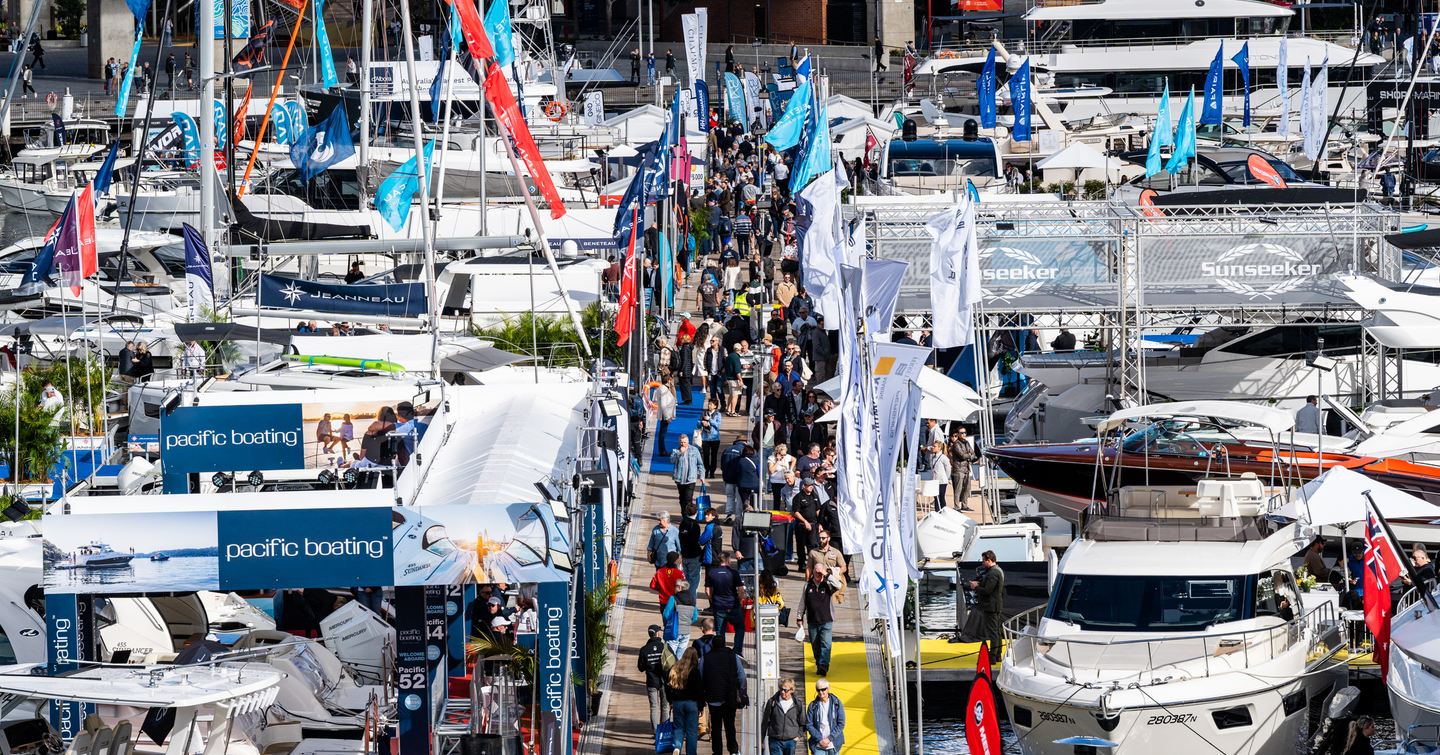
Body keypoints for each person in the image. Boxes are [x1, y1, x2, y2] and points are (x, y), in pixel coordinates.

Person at [699, 635, 746, 755]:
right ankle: (733, 750)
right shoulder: (733, 656)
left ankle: (717, 751)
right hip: (730, 697)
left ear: (712, 645)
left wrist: (702, 694)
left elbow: (700, 676)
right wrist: (742, 691)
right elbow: (741, 675)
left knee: (716, 727)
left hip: (713, 697)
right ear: (724, 644)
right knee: (730, 725)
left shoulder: (705, 658)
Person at [800, 563, 838, 675]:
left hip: (826, 621)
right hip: (812, 621)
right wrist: (799, 616)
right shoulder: (807, 586)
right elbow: (803, 602)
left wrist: (826, 574)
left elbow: (838, 585)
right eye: (816, 571)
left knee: (826, 644)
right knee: (815, 645)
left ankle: (823, 665)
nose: (818, 573)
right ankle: (819, 663)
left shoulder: (828, 585)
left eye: (820, 571)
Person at [706, 551, 747, 653]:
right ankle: (737, 650)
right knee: (740, 627)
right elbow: (741, 590)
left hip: (718, 606)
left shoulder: (711, 572)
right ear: (728, 560)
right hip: (733, 605)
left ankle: (721, 651)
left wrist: (713, 600)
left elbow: (707, 591)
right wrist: (740, 600)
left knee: (720, 631)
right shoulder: (733, 573)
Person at [668, 646, 704, 755]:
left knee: (678, 727)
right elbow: (699, 690)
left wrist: (670, 700)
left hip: (678, 702)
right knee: (691, 731)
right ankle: (691, 753)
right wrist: (701, 706)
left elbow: (669, 686)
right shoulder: (695, 671)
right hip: (692, 703)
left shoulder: (675, 668)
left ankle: (677, 746)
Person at [969, 550, 1005, 650]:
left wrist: (975, 587)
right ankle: (997, 654)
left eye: (984, 561)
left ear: (989, 560)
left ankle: (993, 656)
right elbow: (990, 586)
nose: (982, 563)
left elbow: (987, 590)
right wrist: (979, 584)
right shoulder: (997, 570)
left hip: (991, 606)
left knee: (993, 632)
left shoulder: (993, 572)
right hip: (995, 605)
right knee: (996, 631)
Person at [762, 677, 805, 755]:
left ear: (791, 690)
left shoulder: (797, 704)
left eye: (785, 690)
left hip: (791, 741)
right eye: (781, 689)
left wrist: (798, 736)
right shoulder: (772, 702)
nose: (782, 692)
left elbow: (803, 722)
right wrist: (761, 740)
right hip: (775, 740)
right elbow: (765, 722)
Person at [638, 625, 669, 728]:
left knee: (654, 707)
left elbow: (641, 668)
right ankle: (664, 730)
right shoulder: (664, 647)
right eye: (660, 631)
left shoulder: (644, 649)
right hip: (664, 681)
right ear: (657, 633)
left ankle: (656, 732)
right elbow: (672, 662)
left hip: (651, 681)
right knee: (665, 707)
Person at [805, 678, 845, 755]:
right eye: (818, 690)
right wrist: (820, 739)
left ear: (828, 689)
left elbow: (841, 723)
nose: (820, 692)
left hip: (834, 745)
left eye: (823, 689)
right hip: (818, 745)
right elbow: (809, 725)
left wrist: (829, 739)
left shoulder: (837, 703)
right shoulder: (812, 705)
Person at [807, 529, 846, 602]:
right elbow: (809, 568)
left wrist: (836, 574)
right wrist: (807, 581)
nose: (821, 540)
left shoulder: (836, 552)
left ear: (829, 538)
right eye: (819, 538)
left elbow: (844, 567)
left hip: (831, 582)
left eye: (823, 538)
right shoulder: (813, 552)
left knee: (831, 604)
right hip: (818, 581)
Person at [672, 434, 704, 510]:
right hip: (680, 479)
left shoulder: (694, 450)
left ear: (688, 441)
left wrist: (702, 476)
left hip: (691, 479)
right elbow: (672, 460)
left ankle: (689, 516)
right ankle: (684, 515)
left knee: (688, 498)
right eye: (681, 442)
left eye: (685, 442)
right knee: (682, 499)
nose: (683, 444)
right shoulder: (676, 451)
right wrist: (679, 453)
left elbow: (700, 464)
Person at [948, 428, 977, 511]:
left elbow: (973, 453)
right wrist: (969, 455)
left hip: (966, 468)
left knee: (966, 488)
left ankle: (965, 505)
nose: (964, 434)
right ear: (958, 434)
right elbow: (962, 456)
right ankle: (957, 506)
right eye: (962, 433)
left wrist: (969, 455)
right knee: (958, 489)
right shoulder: (956, 444)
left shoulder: (967, 442)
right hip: (958, 469)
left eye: (965, 432)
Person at [654, 376, 677, 455]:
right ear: (668, 380)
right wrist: (667, 417)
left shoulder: (662, 388)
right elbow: (663, 405)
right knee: (662, 433)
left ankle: (662, 450)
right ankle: (662, 451)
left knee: (663, 433)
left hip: (665, 414)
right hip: (665, 414)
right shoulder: (663, 389)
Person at [700, 400, 723, 477]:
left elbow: (717, 425)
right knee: (706, 455)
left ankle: (712, 472)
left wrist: (709, 419)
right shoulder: (704, 413)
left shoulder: (718, 414)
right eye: (708, 404)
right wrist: (702, 423)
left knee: (714, 455)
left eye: (711, 404)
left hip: (715, 438)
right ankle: (706, 470)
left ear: (715, 406)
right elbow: (697, 424)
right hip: (705, 438)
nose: (709, 405)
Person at [930, 440, 952, 510]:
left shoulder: (943, 458)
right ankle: (937, 511)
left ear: (939, 448)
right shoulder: (933, 457)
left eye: (935, 446)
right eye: (933, 446)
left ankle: (943, 511)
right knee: (936, 497)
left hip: (942, 481)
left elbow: (948, 469)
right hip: (935, 480)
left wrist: (946, 477)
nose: (933, 447)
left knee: (941, 497)